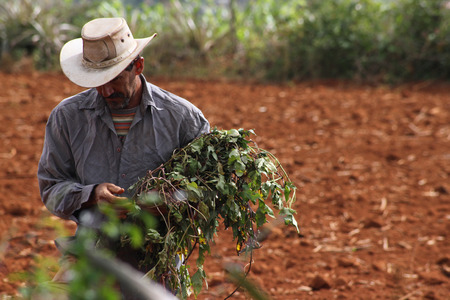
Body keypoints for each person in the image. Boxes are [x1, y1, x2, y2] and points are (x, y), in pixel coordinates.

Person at [37, 17, 210, 297]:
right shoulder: (68, 117)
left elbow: (208, 189)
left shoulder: (182, 118)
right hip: (91, 251)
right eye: (98, 82)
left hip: (157, 258)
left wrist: (172, 202)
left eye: (114, 79)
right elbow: (51, 187)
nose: (106, 91)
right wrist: (92, 194)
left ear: (138, 66)